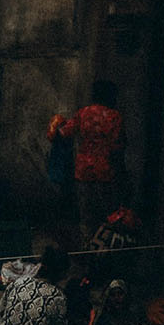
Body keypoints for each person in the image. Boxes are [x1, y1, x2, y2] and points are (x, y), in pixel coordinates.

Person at [53, 80, 125, 239]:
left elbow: (64, 133)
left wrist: (57, 123)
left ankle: (89, 247)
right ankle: (105, 248)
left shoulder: (83, 113)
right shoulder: (114, 117)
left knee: (86, 216)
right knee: (109, 214)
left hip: (83, 171)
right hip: (105, 172)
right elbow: (117, 147)